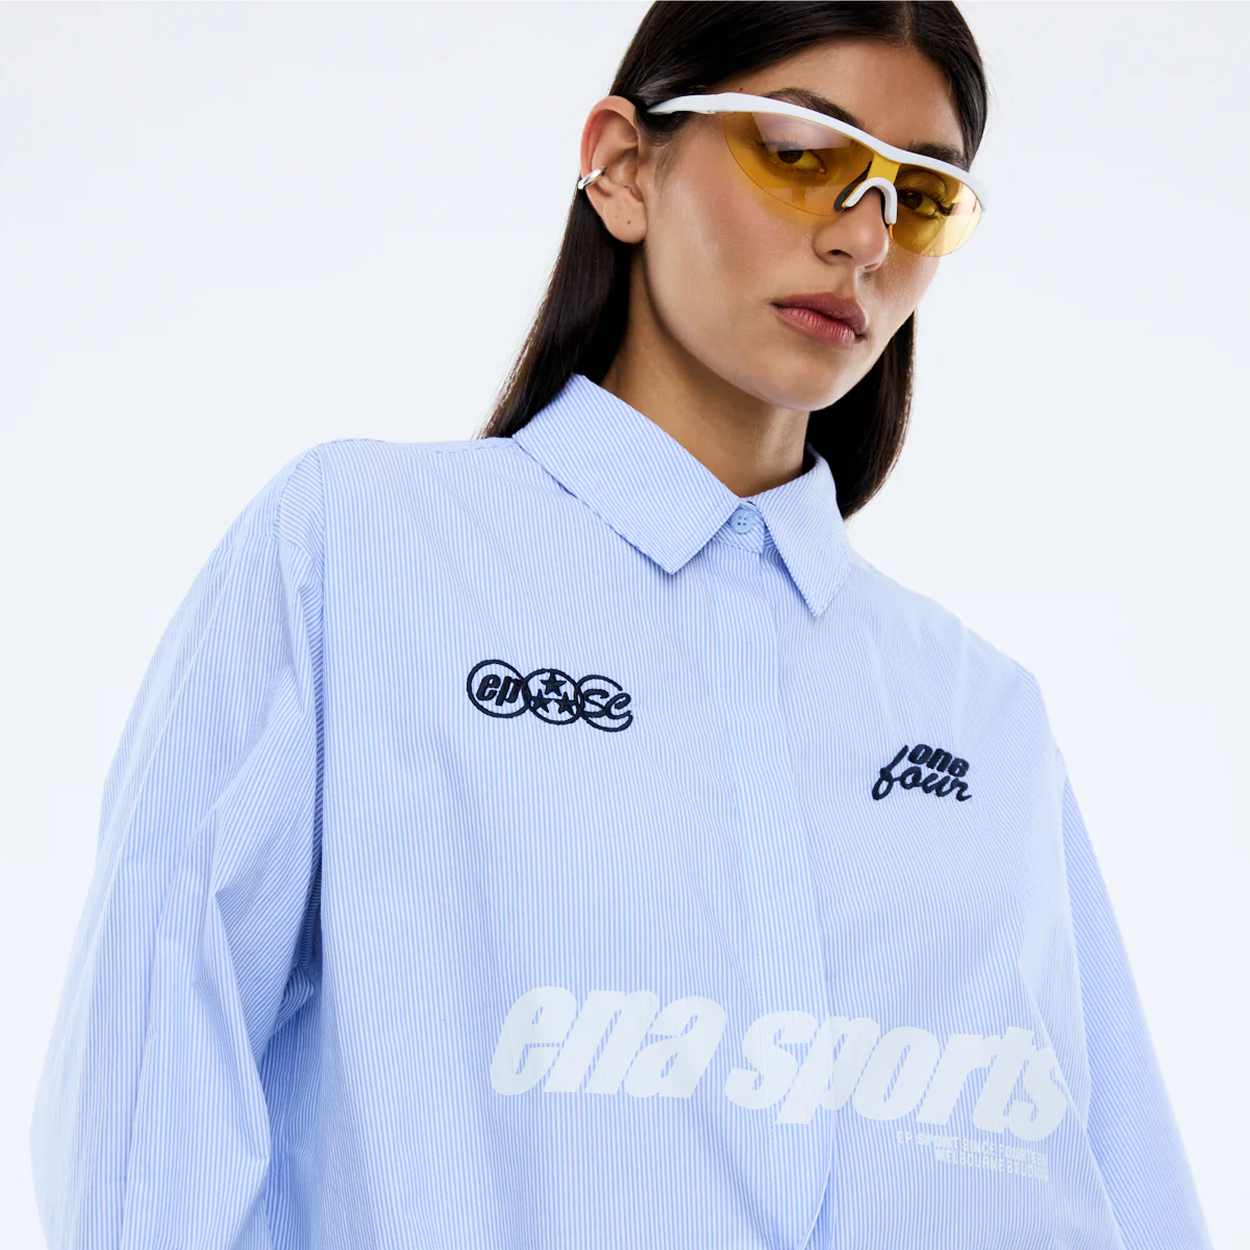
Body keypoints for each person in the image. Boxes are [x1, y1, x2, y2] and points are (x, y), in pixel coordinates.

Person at [29, 1, 1213, 1247]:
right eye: (799, 151)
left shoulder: (981, 712)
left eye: (917, 197)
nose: (861, 235)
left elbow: (1116, 1175)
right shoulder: (359, 550)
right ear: (621, 165)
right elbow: (150, 1080)